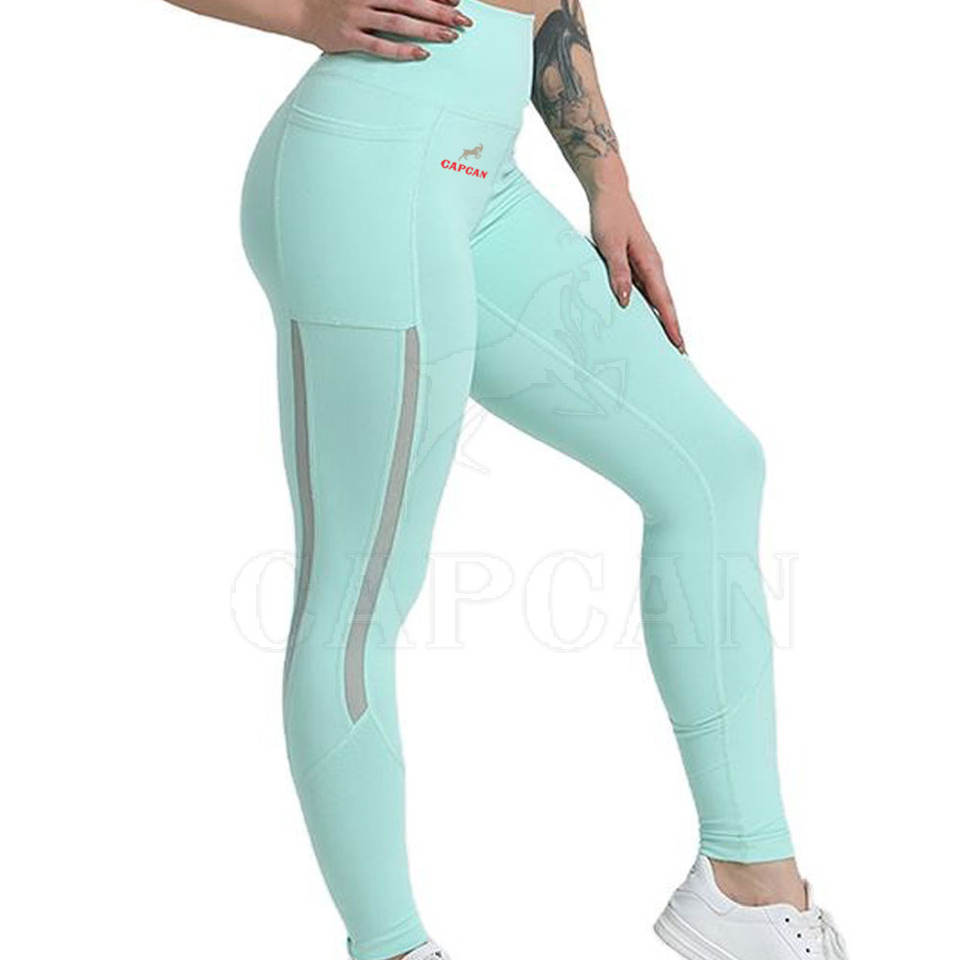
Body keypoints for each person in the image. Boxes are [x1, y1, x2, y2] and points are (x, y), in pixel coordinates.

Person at [163, 1, 849, 958]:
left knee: (712, 466)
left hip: (479, 175)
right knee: (359, 590)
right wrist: (307, 11)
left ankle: (748, 888)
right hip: (373, 163)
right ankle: (391, 946)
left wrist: (607, 179)